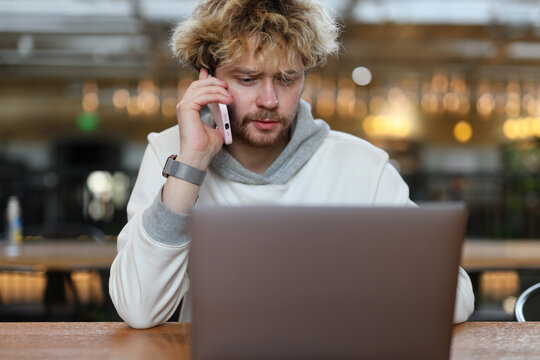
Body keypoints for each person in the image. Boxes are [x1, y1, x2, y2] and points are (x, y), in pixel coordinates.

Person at [109, 0, 475, 329]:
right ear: (209, 79)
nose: (269, 100)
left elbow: (457, 300)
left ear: (305, 77)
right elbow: (140, 310)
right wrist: (191, 163)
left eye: (286, 79)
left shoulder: (364, 165)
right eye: (248, 79)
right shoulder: (168, 152)